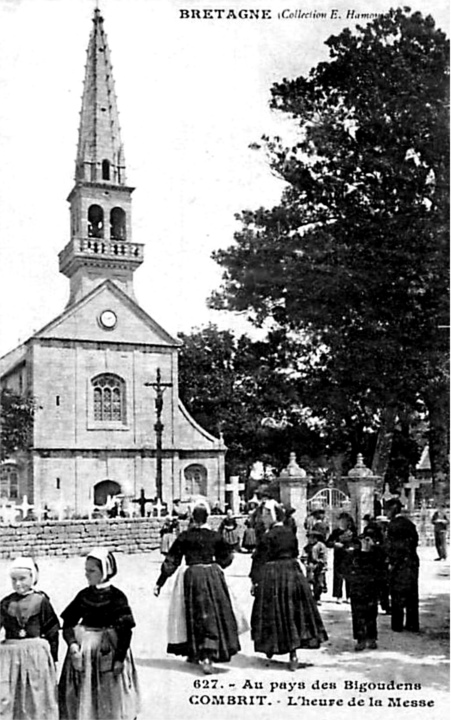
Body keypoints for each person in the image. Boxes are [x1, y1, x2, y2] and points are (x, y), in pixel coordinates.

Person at [154, 503, 240, 675]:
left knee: (195, 614)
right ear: (207, 517)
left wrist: (160, 582)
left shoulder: (185, 537)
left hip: (192, 576)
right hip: (212, 575)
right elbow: (227, 557)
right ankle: (207, 654)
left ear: (193, 517)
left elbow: (172, 560)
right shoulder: (215, 536)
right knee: (214, 614)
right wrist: (219, 562)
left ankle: (198, 652)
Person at [58, 548, 140, 720]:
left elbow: (125, 630)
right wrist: (72, 644)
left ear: (105, 571)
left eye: (92, 571)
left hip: (109, 649)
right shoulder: (83, 595)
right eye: (86, 571)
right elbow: (68, 623)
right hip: (85, 650)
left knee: (111, 695)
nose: (87, 575)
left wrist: (119, 659)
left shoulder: (117, 597)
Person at [250, 502, 328, 671]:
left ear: (272, 516)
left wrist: (254, 580)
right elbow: (294, 553)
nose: (263, 518)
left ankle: (272, 646)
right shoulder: (290, 533)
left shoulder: (267, 536)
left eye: (265, 514)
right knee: (292, 611)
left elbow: (259, 559)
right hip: (292, 572)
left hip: (272, 574)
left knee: (274, 611)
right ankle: (293, 653)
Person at [0, 556, 60, 720]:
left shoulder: (41, 601)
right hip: (10, 657)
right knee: (10, 695)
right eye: (14, 580)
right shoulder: (6, 603)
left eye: (22, 579)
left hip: (35, 656)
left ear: (33, 578)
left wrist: (53, 658)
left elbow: (52, 630)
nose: (18, 584)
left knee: (36, 694)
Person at [346, 526, 386, 651]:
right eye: (365, 538)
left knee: (371, 612)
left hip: (371, 586)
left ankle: (372, 637)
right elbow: (347, 567)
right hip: (357, 586)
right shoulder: (355, 552)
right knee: (358, 613)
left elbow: (381, 569)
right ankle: (360, 639)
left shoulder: (378, 552)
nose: (367, 541)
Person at [384, 498, 420, 633]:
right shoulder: (409, 524)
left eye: (387, 510)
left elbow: (390, 546)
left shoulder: (392, 525)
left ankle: (397, 624)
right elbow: (415, 542)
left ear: (392, 510)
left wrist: (390, 560)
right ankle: (412, 624)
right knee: (411, 593)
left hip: (398, 563)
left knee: (397, 593)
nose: (386, 513)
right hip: (411, 562)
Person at [326, 512, 358, 603]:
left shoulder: (353, 532)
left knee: (349, 576)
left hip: (349, 556)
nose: (342, 522)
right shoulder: (336, 532)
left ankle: (349, 596)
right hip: (339, 556)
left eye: (344, 520)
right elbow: (328, 542)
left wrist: (353, 548)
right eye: (341, 520)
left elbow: (357, 543)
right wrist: (335, 544)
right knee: (338, 576)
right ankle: (338, 596)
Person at [302, 530, 328, 603]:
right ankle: (311, 597)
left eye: (312, 538)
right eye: (309, 538)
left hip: (320, 566)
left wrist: (320, 562)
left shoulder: (321, 546)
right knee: (310, 580)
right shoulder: (308, 546)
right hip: (310, 566)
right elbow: (304, 555)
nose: (310, 540)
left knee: (319, 582)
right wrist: (305, 562)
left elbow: (324, 556)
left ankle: (317, 597)